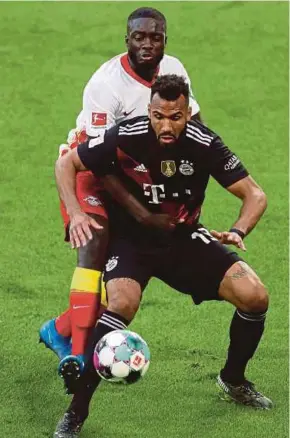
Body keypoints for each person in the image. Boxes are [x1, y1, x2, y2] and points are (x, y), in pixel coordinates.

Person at [52, 74, 272, 438]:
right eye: (158, 115)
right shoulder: (128, 133)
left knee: (255, 295)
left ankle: (233, 380)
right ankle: (75, 413)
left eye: (175, 117)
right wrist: (76, 213)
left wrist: (238, 231)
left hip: (182, 240)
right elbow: (67, 164)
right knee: (121, 303)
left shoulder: (205, 144)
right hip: (131, 243)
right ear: (149, 111)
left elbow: (255, 195)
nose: (165, 125)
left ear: (188, 113)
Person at [39, 7, 202, 377]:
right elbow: (96, 161)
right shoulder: (105, 84)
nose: (147, 44)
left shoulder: (173, 69)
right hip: (89, 171)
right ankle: (78, 355)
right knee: (95, 244)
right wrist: (141, 213)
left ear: (165, 40)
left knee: (123, 285)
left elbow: (192, 126)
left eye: (155, 37)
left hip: (131, 175)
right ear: (126, 39)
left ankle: (59, 329)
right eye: (139, 37)